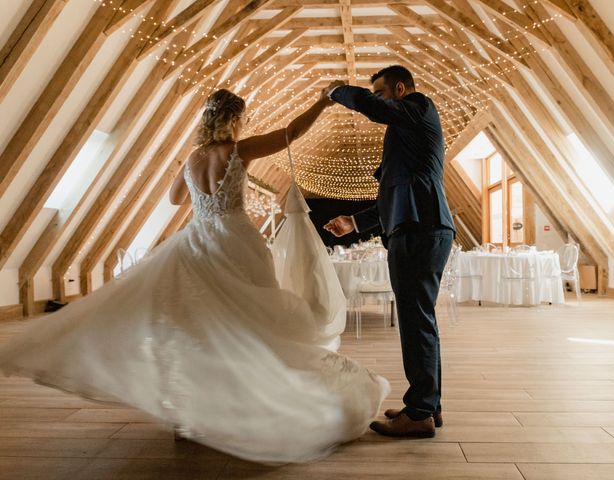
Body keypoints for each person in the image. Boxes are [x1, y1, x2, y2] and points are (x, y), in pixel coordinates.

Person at [0, 88, 389, 464]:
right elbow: (290, 134)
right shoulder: (239, 149)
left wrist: (201, 193)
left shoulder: (192, 158)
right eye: (243, 117)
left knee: (198, 328)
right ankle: (246, 407)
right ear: (235, 119)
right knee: (249, 326)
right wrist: (322, 102)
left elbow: (175, 199)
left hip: (197, 242)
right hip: (236, 242)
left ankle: (192, 416)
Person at [323, 65, 455, 438]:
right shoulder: (407, 132)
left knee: (416, 323)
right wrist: (355, 221)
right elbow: (395, 193)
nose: (378, 101)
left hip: (420, 231)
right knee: (419, 321)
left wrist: (336, 90)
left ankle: (420, 413)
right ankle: (428, 405)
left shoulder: (418, 106)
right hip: (415, 229)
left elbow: (375, 107)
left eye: (381, 93)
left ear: (400, 89)